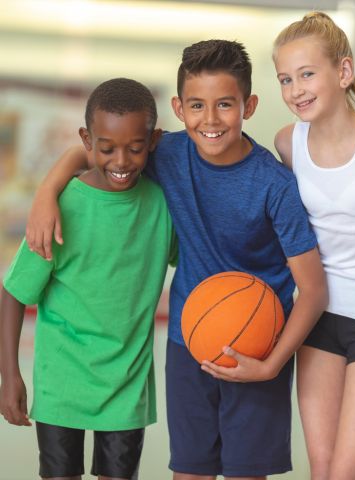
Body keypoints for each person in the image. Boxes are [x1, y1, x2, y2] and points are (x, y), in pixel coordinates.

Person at [23, 40, 328, 480]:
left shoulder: (275, 186)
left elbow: (314, 290)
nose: (211, 119)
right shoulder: (165, 152)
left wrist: (272, 364)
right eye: (197, 105)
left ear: (250, 105)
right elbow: (96, 149)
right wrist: (45, 193)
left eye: (225, 104)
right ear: (178, 109)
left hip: (259, 347)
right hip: (189, 348)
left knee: (247, 473)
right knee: (188, 472)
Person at [204, 12, 355, 480]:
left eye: (307, 74)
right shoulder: (289, 143)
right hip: (317, 315)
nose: (296, 90)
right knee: (323, 468)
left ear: (344, 72)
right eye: (286, 79)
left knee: (348, 471)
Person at [0, 77, 177, 480]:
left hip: (126, 384)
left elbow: (192, 258)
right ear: (86, 140)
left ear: (153, 141)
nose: (121, 161)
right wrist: (9, 375)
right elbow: (13, 294)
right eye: (107, 148)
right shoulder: (62, 206)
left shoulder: (162, 204)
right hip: (62, 381)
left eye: (134, 148)